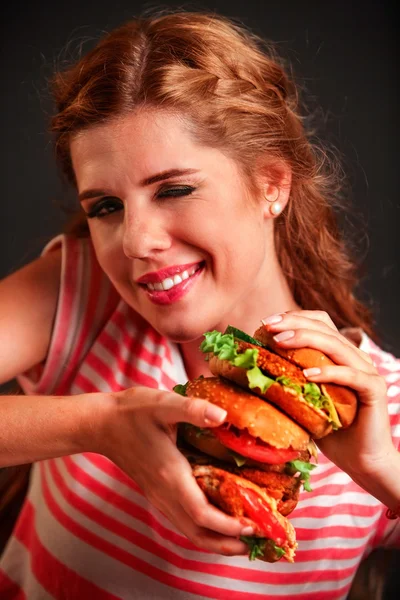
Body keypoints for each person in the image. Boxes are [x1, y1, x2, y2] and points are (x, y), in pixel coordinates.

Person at [0, 8, 399, 600]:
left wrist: (382, 473)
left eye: (175, 189)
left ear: (272, 185)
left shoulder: (382, 408)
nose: (135, 243)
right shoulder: (84, 295)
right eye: (106, 206)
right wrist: (98, 423)